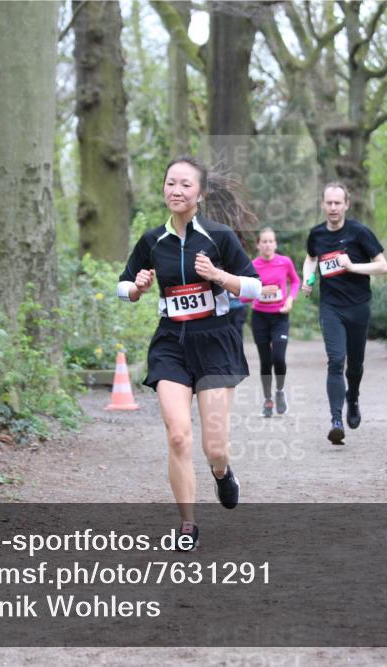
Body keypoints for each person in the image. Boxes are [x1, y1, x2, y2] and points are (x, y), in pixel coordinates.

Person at [117, 156, 261, 549]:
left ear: (201, 193)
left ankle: (221, 471)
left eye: (185, 185)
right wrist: (137, 288)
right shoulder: (151, 241)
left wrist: (218, 276)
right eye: (170, 183)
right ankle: (188, 523)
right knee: (178, 436)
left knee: (213, 445)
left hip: (215, 343)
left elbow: (255, 287)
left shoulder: (219, 237)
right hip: (171, 345)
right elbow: (123, 286)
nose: (176, 191)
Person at [301, 183, 387, 445]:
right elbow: (310, 258)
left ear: (346, 205)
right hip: (331, 307)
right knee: (336, 361)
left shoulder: (359, 232)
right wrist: (308, 279)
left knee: (356, 365)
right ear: (322, 205)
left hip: (358, 306)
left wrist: (352, 266)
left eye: (338, 203)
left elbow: (383, 267)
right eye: (328, 203)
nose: (333, 208)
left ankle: (353, 397)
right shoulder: (316, 234)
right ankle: (336, 420)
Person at [248, 227, 300, 418]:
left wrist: (290, 300)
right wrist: (258, 292)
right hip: (260, 317)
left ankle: (279, 391)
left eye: (271, 241)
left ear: (275, 244)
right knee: (265, 360)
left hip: (280, 316)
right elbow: (244, 296)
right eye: (264, 241)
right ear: (258, 245)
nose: (268, 244)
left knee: (278, 357)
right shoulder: (252, 266)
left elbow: (295, 281)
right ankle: (268, 399)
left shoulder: (284, 262)